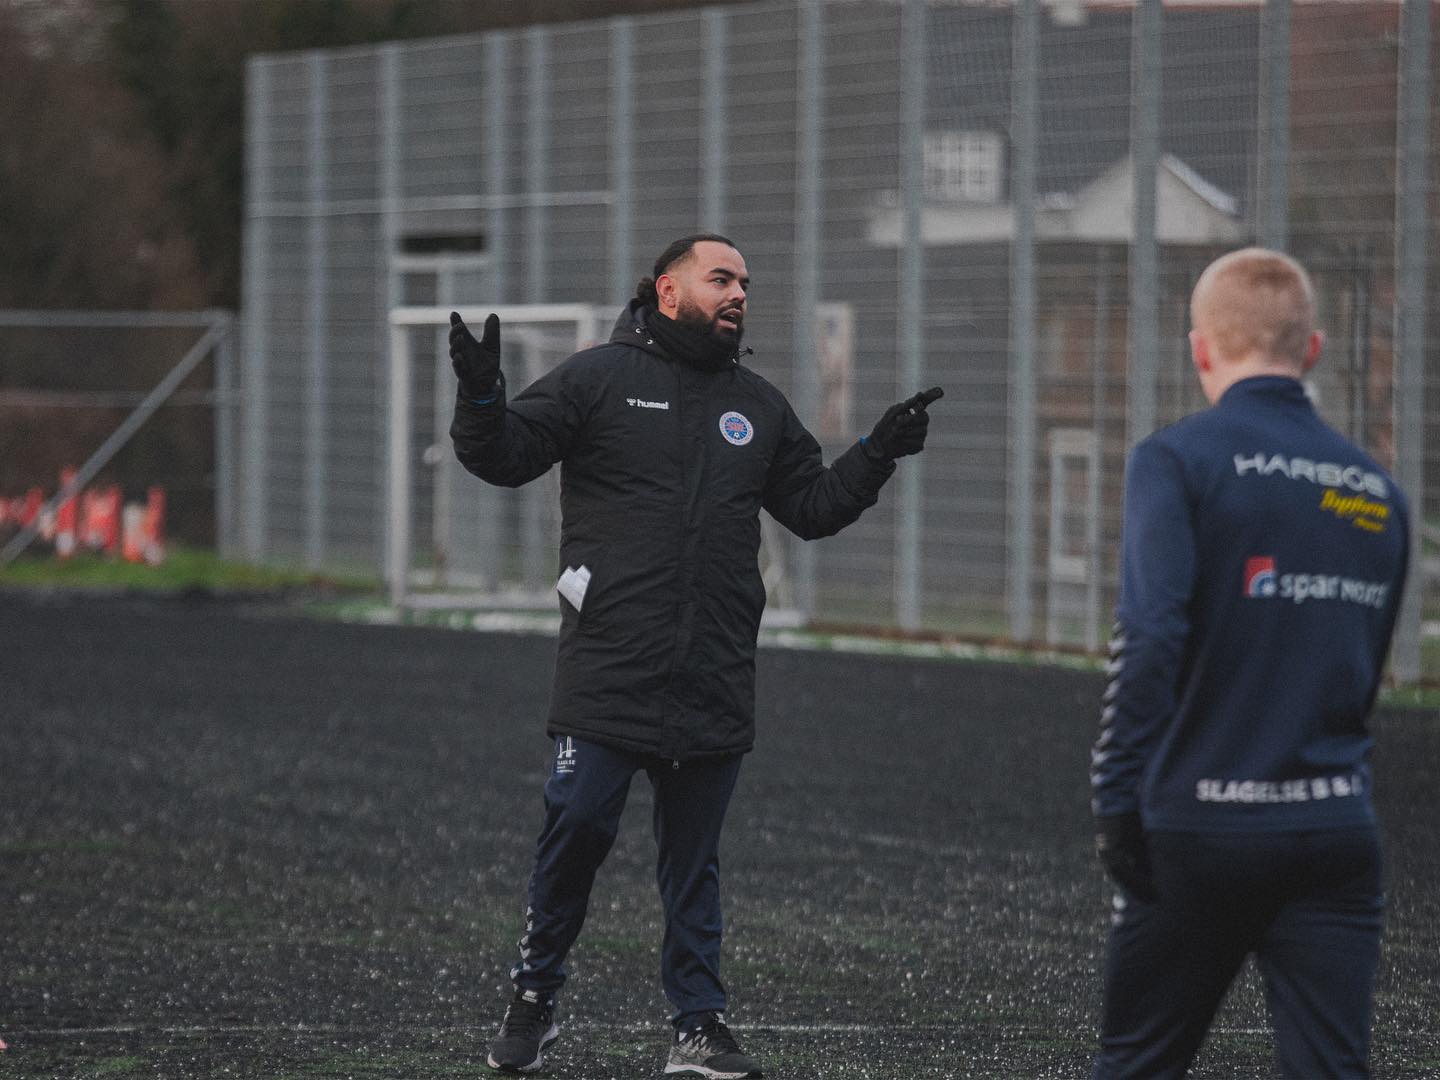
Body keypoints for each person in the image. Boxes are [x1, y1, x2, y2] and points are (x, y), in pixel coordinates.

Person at [448, 233, 942, 1078]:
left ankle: (699, 1028)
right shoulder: (597, 378)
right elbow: (500, 457)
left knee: (693, 866)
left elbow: (813, 509)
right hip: (609, 667)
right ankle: (534, 997)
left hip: (712, 674)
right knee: (575, 826)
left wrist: (875, 455)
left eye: (745, 281)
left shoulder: (758, 403)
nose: (739, 292)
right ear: (667, 291)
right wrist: (485, 395)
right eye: (721, 278)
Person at [1089, 247, 1410, 1078]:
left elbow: (1151, 636)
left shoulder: (1177, 459)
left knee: (1136, 1063)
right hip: (1336, 827)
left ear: (1200, 349)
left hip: (1201, 826)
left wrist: (1118, 796)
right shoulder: (1376, 490)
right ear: (1313, 349)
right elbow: (1359, 669)